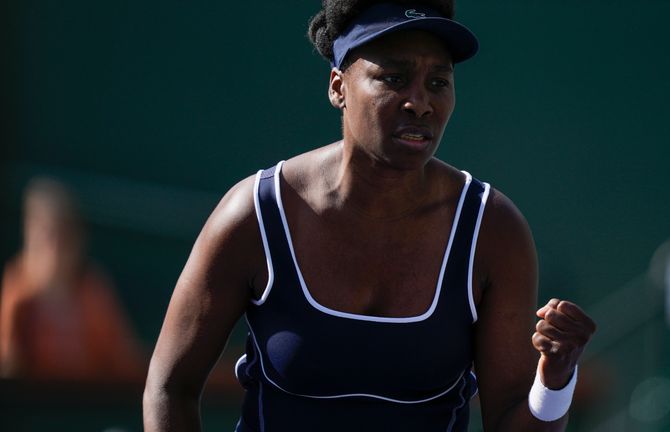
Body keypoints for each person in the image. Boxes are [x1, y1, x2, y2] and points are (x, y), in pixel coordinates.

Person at [143, 1, 597, 431]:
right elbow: (169, 388)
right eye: (394, 78)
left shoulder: (492, 229)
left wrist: (555, 381)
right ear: (338, 87)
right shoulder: (256, 213)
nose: (420, 102)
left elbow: (512, 417)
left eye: (438, 82)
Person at [0, 178, 146, 383]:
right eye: (46, 234)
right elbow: (10, 367)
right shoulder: (17, 297)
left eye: (63, 234)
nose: (55, 247)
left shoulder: (94, 290)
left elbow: (123, 361)